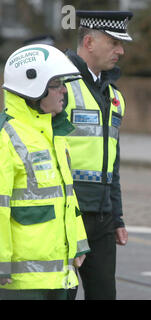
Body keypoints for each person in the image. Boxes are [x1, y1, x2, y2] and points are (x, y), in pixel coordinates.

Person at [0, 44, 90, 300]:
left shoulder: (54, 134)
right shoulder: (6, 137)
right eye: (56, 84)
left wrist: (78, 243)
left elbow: (66, 198)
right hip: (20, 282)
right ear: (33, 87)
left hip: (59, 274)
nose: (64, 90)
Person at [63, 10, 133, 300]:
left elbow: (112, 162)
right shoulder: (58, 85)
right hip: (66, 214)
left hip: (102, 216)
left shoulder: (114, 95)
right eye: (114, 42)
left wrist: (116, 216)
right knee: (60, 293)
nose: (121, 50)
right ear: (89, 42)